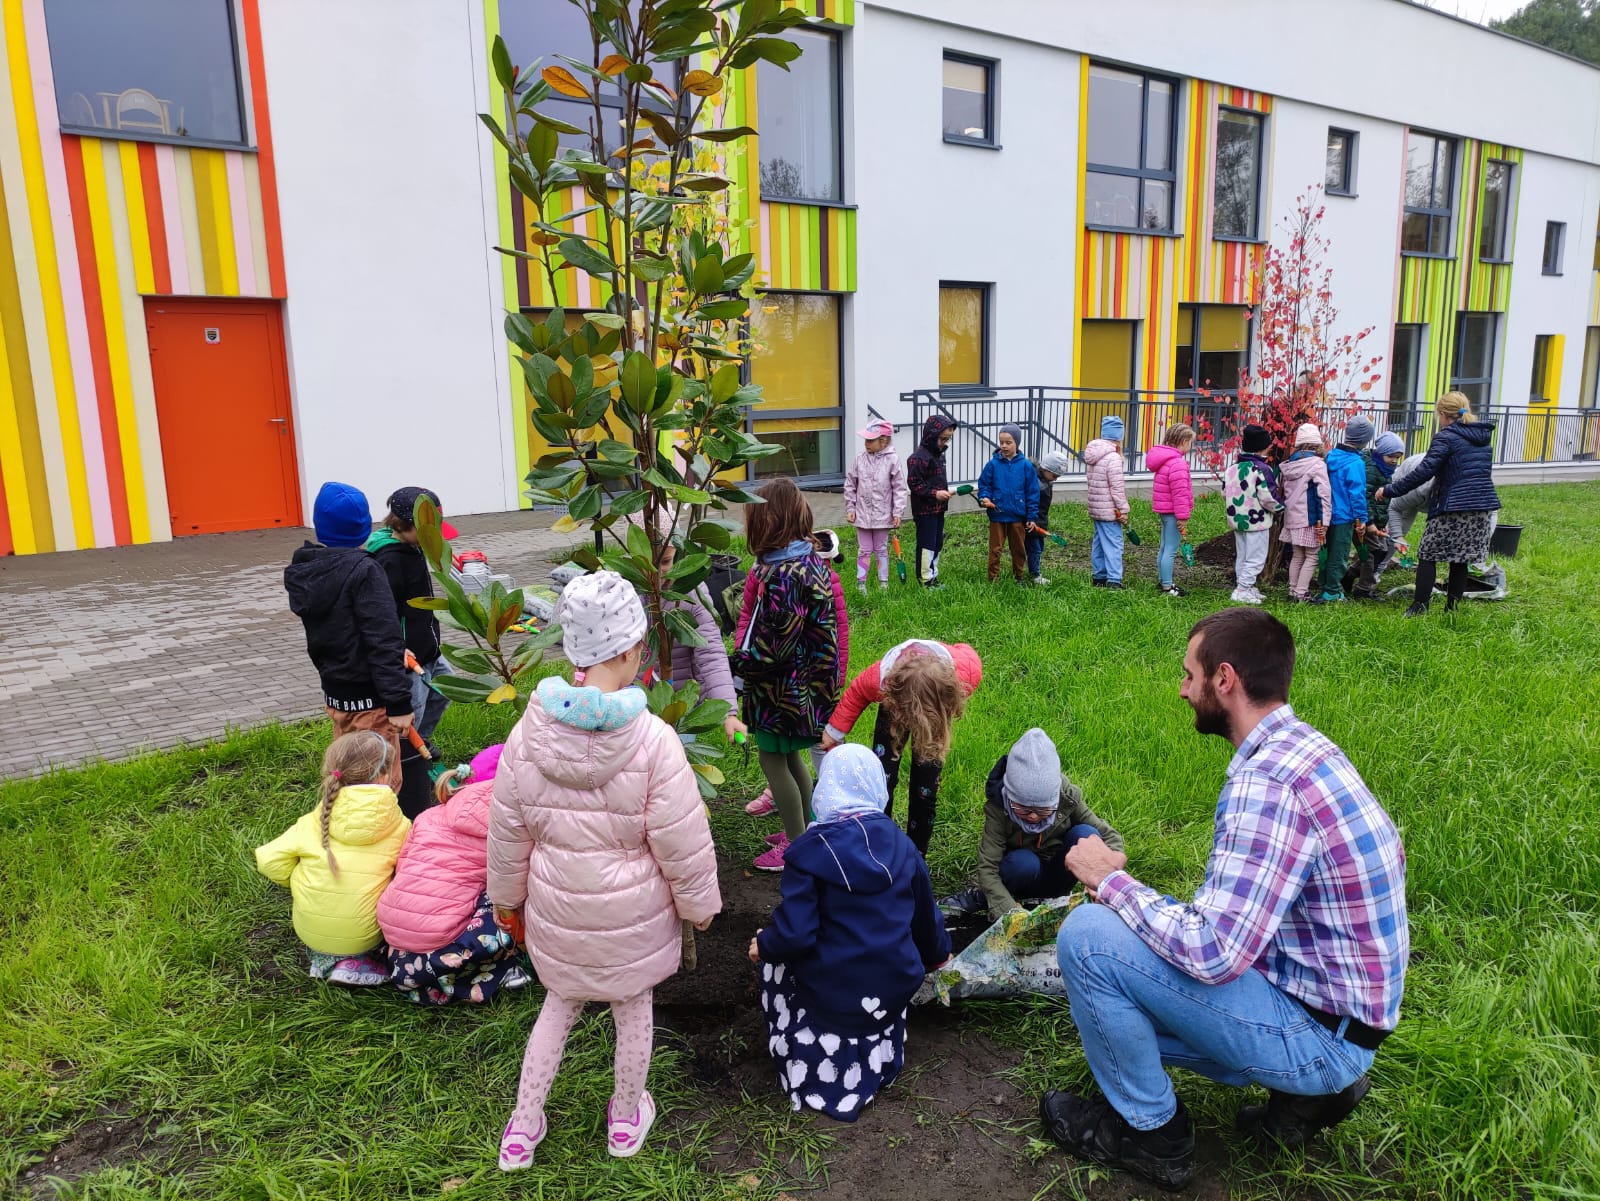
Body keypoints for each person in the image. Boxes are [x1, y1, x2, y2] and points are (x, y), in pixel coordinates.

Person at [1039, 609, 1408, 1189]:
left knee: (1089, 942)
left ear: (1225, 679)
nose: (1182, 689)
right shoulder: (1304, 748)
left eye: (1190, 674)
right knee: (1137, 972)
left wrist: (1109, 882)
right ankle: (1303, 1095)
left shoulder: (1267, 786)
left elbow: (1213, 952)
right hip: (1341, 1017)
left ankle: (1152, 1135)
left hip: (1320, 1038)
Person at [487, 572, 721, 1168]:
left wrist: (507, 899)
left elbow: (509, 831)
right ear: (626, 650)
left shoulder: (526, 734)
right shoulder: (653, 741)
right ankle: (623, 1118)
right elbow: (681, 839)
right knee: (633, 1013)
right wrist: (698, 905)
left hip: (559, 916)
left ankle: (523, 1125)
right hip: (630, 920)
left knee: (556, 1009)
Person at [748, 744, 950, 1122]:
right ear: (877, 788)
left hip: (833, 995)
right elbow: (926, 918)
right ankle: (880, 1055)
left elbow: (795, 935)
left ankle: (811, 1059)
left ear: (825, 791)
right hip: (891, 990)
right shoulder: (904, 847)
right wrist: (939, 955)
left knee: (773, 959)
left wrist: (765, 944)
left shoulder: (808, 853)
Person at [731, 479, 844, 871]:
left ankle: (798, 849)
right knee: (792, 756)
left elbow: (776, 646)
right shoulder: (809, 561)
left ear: (768, 522)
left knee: (772, 761)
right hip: (806, 687)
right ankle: (805, 827)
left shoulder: (783, 575)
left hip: (781, 690)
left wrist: (742, 664)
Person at [284, 482, 415, 793]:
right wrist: (398, 703)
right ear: (363, 527)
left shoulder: (306, 569)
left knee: (345, 773)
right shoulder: (365, 571)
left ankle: (339, 829)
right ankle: (374, 838)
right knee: (378, 787)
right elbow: (382, 640)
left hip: (337, 695)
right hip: (371, 701)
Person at [255, 731, 411, 986]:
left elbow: (268, 860)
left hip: (310, 932)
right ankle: (357, 960)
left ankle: (327, 959)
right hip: (369, 934)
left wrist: (299, 880)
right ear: (384, 775)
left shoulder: (314, 820)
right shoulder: (400, 825)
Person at [378, 744, 531, 1005]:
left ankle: (433, 978)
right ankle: (499, 968)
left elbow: (403, 865)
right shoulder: (507, 830)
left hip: (397, 945)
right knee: (507, 892)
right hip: (449, 947)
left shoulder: (427, 816)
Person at [818, 638, 982, 855]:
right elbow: (856, 693)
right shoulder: (882, 680)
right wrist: (834, 731)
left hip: (934, 710)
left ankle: (916, 855)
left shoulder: (962, 677)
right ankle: (878, 845)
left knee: (925, 790)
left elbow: (968, 654)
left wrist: (937, 712)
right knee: (881, 779)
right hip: (896, 705)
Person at [939, 728, 1122, 920]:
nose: (1033, 817)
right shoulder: (998, 809)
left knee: (1086, 833)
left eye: (1043, 810)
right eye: (1023, 809)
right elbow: (987, 867)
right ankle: (985, 897)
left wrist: (1105, 880)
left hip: (1056, 875)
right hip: (1018, 875)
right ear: (1009, 797)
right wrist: (1011, 914)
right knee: (1024, 863)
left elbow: (1110, 837)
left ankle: (1055, 899)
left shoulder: (1066, 797)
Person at [1375, 392, 1502, 617]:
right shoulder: (1481, 437)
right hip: (1481, 506)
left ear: (1442, 415)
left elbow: (1425, 471)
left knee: (1427, 554)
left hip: (1453, 505)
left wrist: (1389, 490)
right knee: (1460, 559)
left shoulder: (1446, 436)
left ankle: (1419, 606)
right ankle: (1452, 609)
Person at [365, 486, 461, 747]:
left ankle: (422, 743)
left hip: (429, 648)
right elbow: (383, 613)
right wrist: (398, 649)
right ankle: (407, 756)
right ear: (408, 526)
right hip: (409, 656)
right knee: (413, 710)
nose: (435, 538)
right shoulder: (390, 560)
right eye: (430, 532)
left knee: (444, 693)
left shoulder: (411, 545)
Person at [844, 420, 908, 592]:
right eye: (865, 440)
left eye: (870, 440)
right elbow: (850, 484)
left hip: (883, 515)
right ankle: (861, 584)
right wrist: (851, 508)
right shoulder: (859, 459)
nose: (866, 444)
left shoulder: (892, 460)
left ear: (884, 441)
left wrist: (897, 512)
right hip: (862, 515)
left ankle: (883, 583)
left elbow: (899, 488)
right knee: (864, 550)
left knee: (881, 549)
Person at [1314, 417, 1372, 604]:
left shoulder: (1330, 456)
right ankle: (1332, 592)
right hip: (1343, 517)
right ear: (1365, 441)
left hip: (1326, 514)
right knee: (1339, 555)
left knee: (1326, 550)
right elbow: (1357, 493)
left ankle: (1323, 584)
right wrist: (1361, 518)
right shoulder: (1356, 463)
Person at [1223, 424, 1283, 605]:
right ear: (1263, 446)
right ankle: (1242, 589)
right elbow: (1268, 497)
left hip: (1237, 519)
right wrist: (1281, 508)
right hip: (1257, 520)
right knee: (1256, 557)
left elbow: (1225, 493)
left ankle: (1245, 586)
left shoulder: (1232, 468)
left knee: (1243, 555)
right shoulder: (1261, 470)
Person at [977, 423, 1039, 584]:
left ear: (1017, 443)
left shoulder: (1026, 466)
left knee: (1018, 548)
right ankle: (993, 579)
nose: (1004, 446)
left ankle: (1019, 577)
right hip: (997, 514)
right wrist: (984, 497)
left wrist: (1031, 516)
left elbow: (1032, 492)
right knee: (995, 549)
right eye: (1001, 442)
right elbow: (984, 485)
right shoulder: (992, 465)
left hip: (1018, 515)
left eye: (1008, 442)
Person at [1348, 431, 1404, 599]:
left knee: (1380, 551)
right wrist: (1370, 521)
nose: (1394, 460)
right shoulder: (1370, 469)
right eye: (1391, 456)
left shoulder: (1384, 469)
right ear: (1380, 453)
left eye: (1398, 457)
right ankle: (1363, 589)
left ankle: (1350, 574)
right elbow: (1364, 497)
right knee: (1374, 552)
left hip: (1375, 520)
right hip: (1363, 519)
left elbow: (1380, 501)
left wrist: (1381, 521)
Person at [1279, 426, 1330, 603]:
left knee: (1297, 555)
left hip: (1292, 516)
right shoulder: (1317, 464)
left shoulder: (1290, 464)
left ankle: (1292, 591)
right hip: (1311, 518)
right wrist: (1325, 521)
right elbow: (1323, 494)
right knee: (1312, 556)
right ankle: (1301, 593)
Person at [906, 415, 958, 587]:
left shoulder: (939, 455)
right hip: (924, 510)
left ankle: (933, 574)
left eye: (948, 439)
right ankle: (925, 579)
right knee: (927, 544)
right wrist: (935, 494)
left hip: (938, 508)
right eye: (942, 439)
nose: (944, 443)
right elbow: (914, 483)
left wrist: (943, 493)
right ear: (931, 435)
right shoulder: (918, 458)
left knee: (937, 542)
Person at [1148, 424, 1196, 597]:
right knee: (1171, 549)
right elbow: (1180, 493)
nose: (1191, 446)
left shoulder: (1165, 460)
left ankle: (1163, 581)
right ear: (1183, 442)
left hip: (1165, 511)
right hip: (1174, 512)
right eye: (1191, 442)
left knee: (1164, 547)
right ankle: (1167, 586)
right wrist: (1183, 516)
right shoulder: (1178, 463)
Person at [1084, 416, 1130, 588]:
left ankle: (1099, 577)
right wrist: (1123, 509)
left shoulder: (1093, 454)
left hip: (1096, 507)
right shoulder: (1113, 457)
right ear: (1119, 435)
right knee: (1114, 544)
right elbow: (1116, 487)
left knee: (1099, 543)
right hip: (1110, 510)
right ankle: (1114, 580)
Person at [1027, 450, 1073, 586]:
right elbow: (1031, 504)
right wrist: (1032, 519)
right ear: (1045, 469)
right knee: (1034, 548)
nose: (1056, 478)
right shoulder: (1035, 483)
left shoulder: (1045, 481)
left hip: (1039, 521)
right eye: (1054, 475)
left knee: (1038, 547)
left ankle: (1032, 570)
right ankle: (1034, 574)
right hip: (1031, 522)